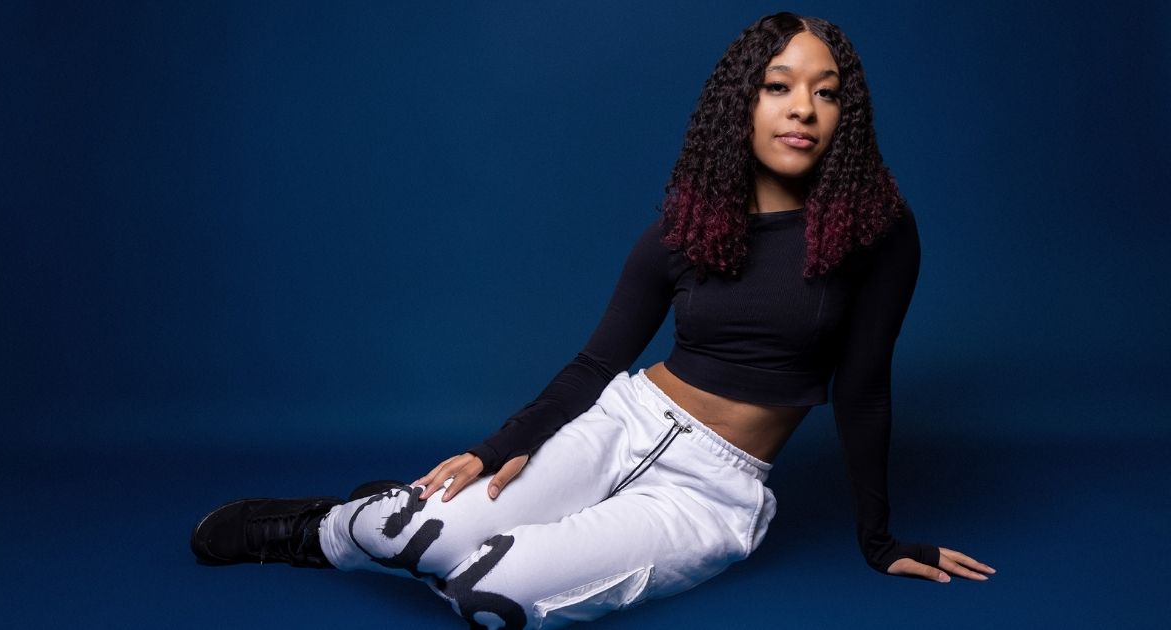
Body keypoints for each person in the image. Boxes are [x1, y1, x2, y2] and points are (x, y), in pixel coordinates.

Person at [190, 12, 995, 629]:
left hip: (712, 493)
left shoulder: (877, 230)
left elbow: (864, 387)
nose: (804, 110)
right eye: (779, 86)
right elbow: (597, 360)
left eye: (827, 91)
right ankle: (326, 528)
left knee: (489, 596)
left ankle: (413, 524)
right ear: (742, 104)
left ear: (845, 112)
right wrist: (494, 449)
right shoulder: (687, 229)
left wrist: (879, 540)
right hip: (621, 421)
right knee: (419, 536)